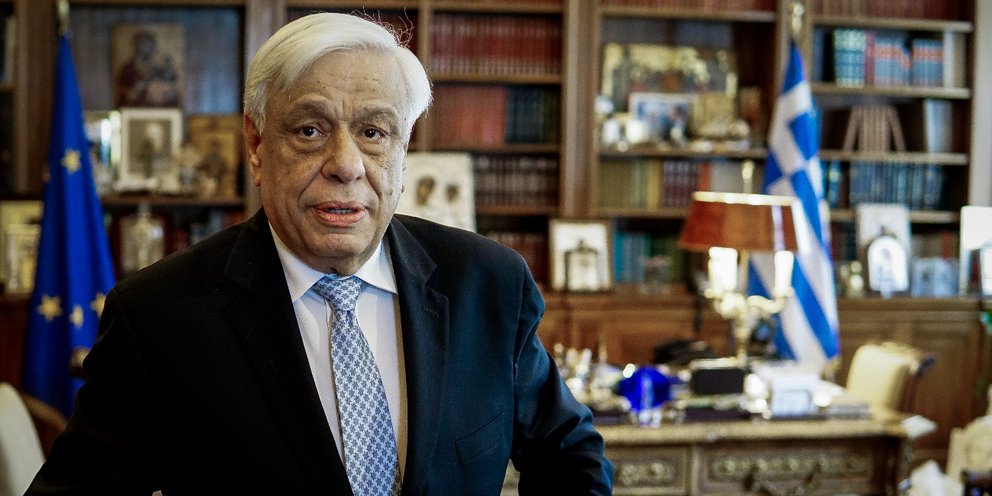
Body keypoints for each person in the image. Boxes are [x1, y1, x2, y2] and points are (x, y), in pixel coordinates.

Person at [28, 12, 613, 495]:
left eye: (374, 132)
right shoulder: (159, 315)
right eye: (310, 130)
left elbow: (570, 457)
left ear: (403, 149)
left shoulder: (487, 284)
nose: (346, 165)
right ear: (256, 145)